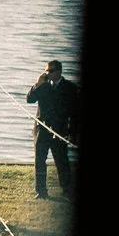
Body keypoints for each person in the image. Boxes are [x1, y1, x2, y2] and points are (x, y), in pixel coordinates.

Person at [26, 57, 78, 196]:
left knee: (61, 160)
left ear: (59, 72)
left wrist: (72, 133)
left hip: (59, 130)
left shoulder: (70, 88)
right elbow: (29, 99)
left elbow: (75, 113)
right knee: (40, 160)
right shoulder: (43, 85)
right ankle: (41, 191)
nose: (47, 74)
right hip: (42, 129)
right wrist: (37, 84)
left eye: (51, 71)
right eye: (46, 71)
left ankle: (66, 189)